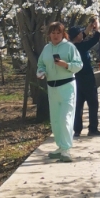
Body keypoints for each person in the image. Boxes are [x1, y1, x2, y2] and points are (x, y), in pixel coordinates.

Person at [36, 21, 83, 160]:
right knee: (56, 119)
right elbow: (41, 64)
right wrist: (41, 72)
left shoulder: (69, 47)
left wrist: (66, 65)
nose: (55, 36)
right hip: (52, 87)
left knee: (65, 118)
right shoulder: (46, 48)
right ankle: (60, 146)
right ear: (49, 34)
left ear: (63, 34)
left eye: (58, 33)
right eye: (53, 33)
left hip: (67, 86)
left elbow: (78, 65)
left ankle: (66, 149)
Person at [69, 20, 100, 138]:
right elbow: (95, 39)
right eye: (80, 33)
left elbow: (83, 36)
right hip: (87, 78)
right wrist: (97, 28)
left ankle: (77, 130)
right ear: (77, 36)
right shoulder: (82, 46)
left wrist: (88, 27)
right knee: (93, 103)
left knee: (78, 104)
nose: (82, 34)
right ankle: (93, 128)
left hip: (75, 79)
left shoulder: (71, 46)